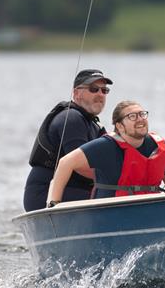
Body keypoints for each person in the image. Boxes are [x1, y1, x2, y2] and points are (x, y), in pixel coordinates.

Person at [46, 100, 165, 207]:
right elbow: (65, 163)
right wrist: (54, 204)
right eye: (132, 116)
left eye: (142, 114)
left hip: (150, 210)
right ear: (120, 126)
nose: (140, 119)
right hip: (110, 213)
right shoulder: (105, 146)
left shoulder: (157, 147)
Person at [23, 69, 113, 212]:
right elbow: (81, 166)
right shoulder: (71, 119)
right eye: (94, 89)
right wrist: (118, 181)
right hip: (45, 196)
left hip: (76, 191)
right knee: (115, 194)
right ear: (76, 93)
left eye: (104, 90)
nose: (100, 94)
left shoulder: (95, 125)